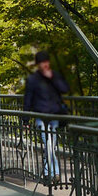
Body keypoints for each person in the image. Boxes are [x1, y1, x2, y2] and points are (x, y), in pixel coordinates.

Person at [23, 50, 71, 180]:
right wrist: (25, 120)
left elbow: (65, 89)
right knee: (48, 144)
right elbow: (28, 99)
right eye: (42, 62)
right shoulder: (33, 79)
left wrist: (52, 78)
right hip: (41, 117)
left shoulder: (54, 76)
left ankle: (48, 173)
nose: (44, 65)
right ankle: (53, 173)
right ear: (38, 64)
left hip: (54, 116)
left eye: (46, 62)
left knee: (51, 145)